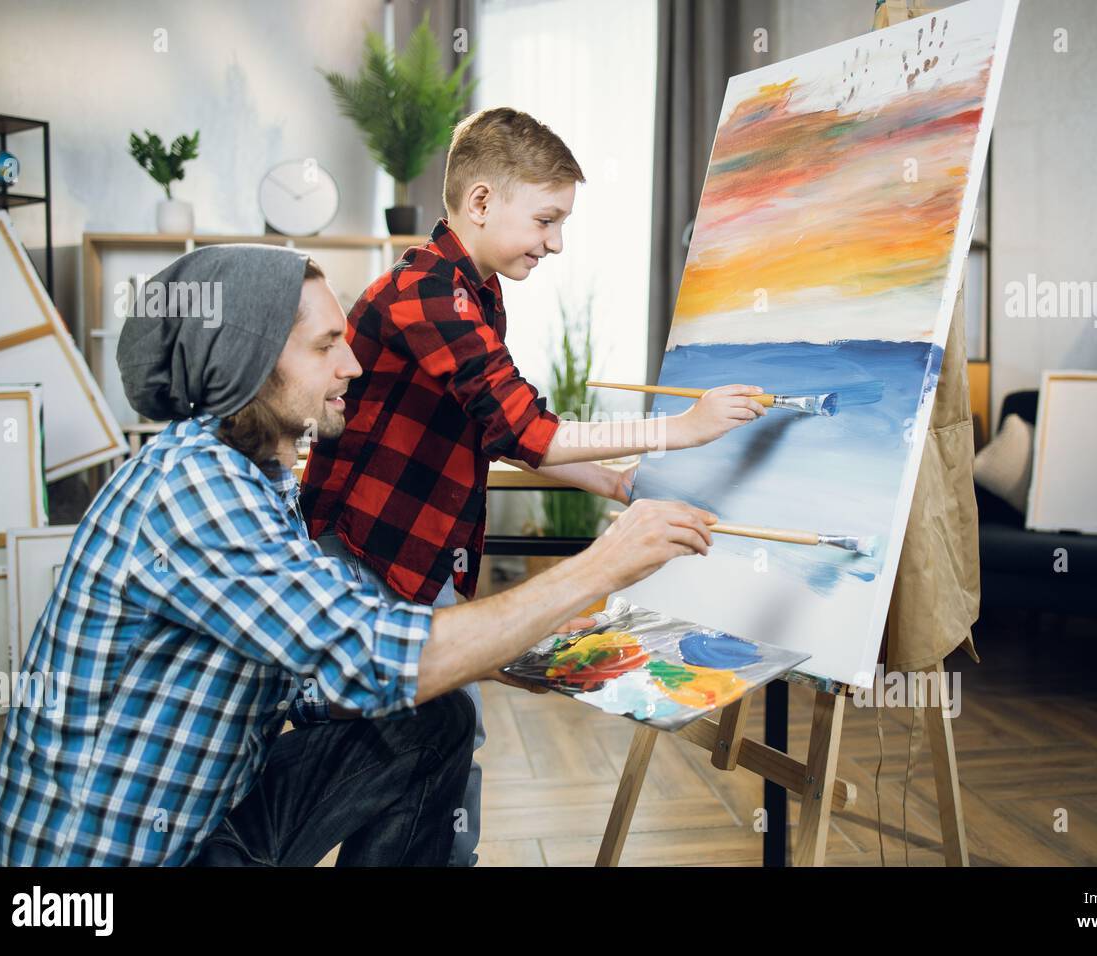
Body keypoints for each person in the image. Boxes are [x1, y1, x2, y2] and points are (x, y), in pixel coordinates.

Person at [0, 244, 718, 866]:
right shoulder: (194, 486)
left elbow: (304, 675)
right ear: (247, 360)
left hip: (204, 819)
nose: (354, 367)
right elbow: (371, 657)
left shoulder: (253, 476)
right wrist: (605, 560)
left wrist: (503, 655)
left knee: (434, 720)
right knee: (417, 691)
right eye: (324, 346)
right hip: (124, 859)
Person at [300, 106, 766, 865]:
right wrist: (679, 427)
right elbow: (528, 431)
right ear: (481, 202)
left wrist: (614, 481)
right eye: (546, 219)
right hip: (366, 557)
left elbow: (501, 432)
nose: (555, 242)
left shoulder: (475, 292)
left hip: (414, 561)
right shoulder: (428, 291)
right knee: (414, 740)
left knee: (435, 740)